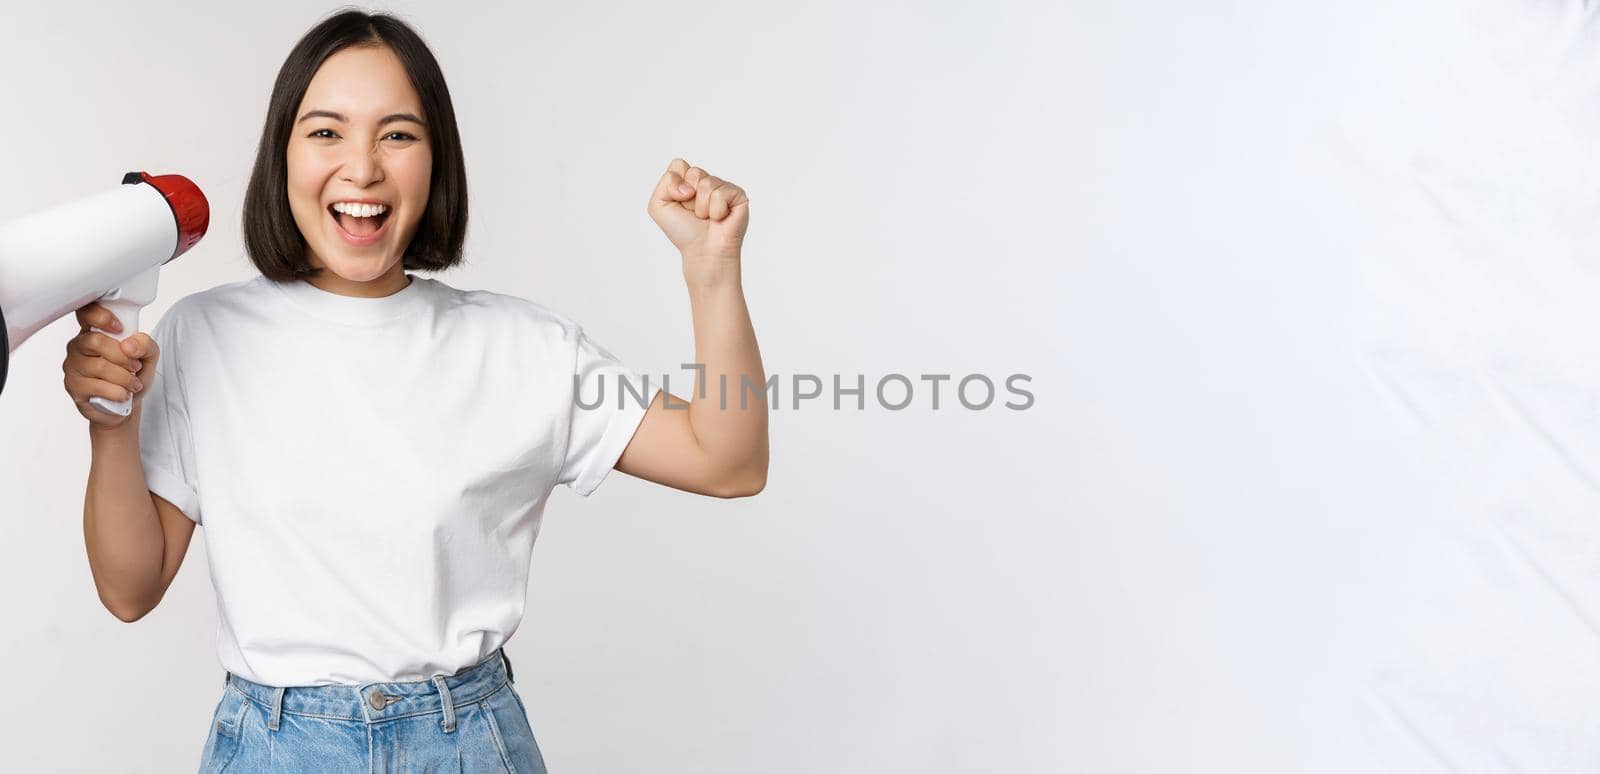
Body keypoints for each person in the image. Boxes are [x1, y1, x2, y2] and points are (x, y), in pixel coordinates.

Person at [61, 9, 767, 772]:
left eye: (397, 134)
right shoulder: (205, 336)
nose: (362, 168)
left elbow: (726, 461)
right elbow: (129, 589)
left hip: (467, 746)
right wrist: (112, 426)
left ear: (437, 162)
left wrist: (712, 269)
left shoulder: (523, 348)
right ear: (283, 154)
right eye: (326, 132)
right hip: (272, 749)